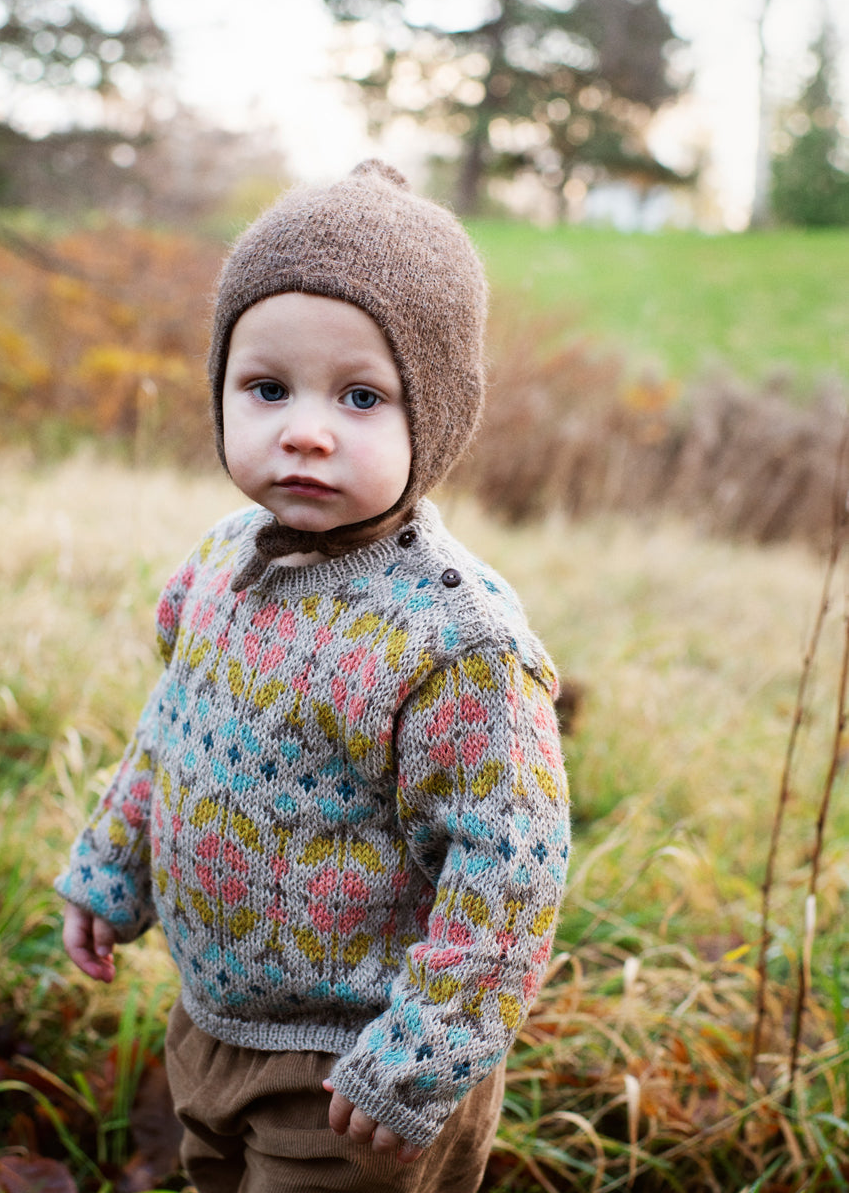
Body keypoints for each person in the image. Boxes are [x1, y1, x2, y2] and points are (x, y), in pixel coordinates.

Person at [56, 159, 571, 1193]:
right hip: (212, 1021)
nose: (304, 427)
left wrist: (422, 1055)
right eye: (268, 387)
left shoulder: (454, 642)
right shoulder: (217, 563)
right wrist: (116, 862)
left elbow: (509, 865)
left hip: (359, 1071)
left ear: (438, 418)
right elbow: (175, 725)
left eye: (362, 396)